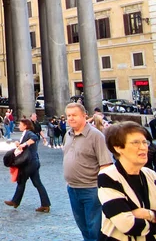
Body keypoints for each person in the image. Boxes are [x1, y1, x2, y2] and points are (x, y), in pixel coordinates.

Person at [98, 121, 156, 240]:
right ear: (118, 148)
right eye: (136, 143)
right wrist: (152, 215)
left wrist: (146, 214)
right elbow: (127, 225)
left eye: (145, 142)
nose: (143, 147)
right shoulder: (108, 176)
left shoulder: (151, 175)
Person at [63, 102, 112, 241]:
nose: (71, 118)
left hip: (91, 189)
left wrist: (100, 188)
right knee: (83, 227)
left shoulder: (96, 136)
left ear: (84, 116)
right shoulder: (68, 134)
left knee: (94, 229)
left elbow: (106, 164)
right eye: (69, 115)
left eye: (74, 115)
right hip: (72, 188)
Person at [4, 118, 51, 212]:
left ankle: (15, 201)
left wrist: (23, 144)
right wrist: (19, 144)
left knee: (21, 181)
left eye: (20, 124)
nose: (19, 126)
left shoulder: (29, 133)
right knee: (37, 183)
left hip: (29, 163)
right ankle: (45, 204)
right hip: (34, 162)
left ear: (25, 125)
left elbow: (35, 138)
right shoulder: (25, 134)